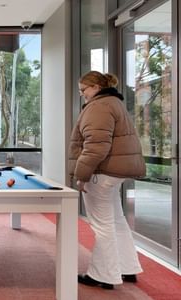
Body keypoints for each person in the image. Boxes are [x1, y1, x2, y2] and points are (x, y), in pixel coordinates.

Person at [68, 71, 146, 289]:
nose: (82, 95)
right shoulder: (114, 103)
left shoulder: (99, 106)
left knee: (102, 225)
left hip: (101, 174)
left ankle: (103, 275)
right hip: (114, 173)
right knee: (117, 220)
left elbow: (95, 146)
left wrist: (81, 176)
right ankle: (127, 267)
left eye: (84, 90)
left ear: (95, 88)